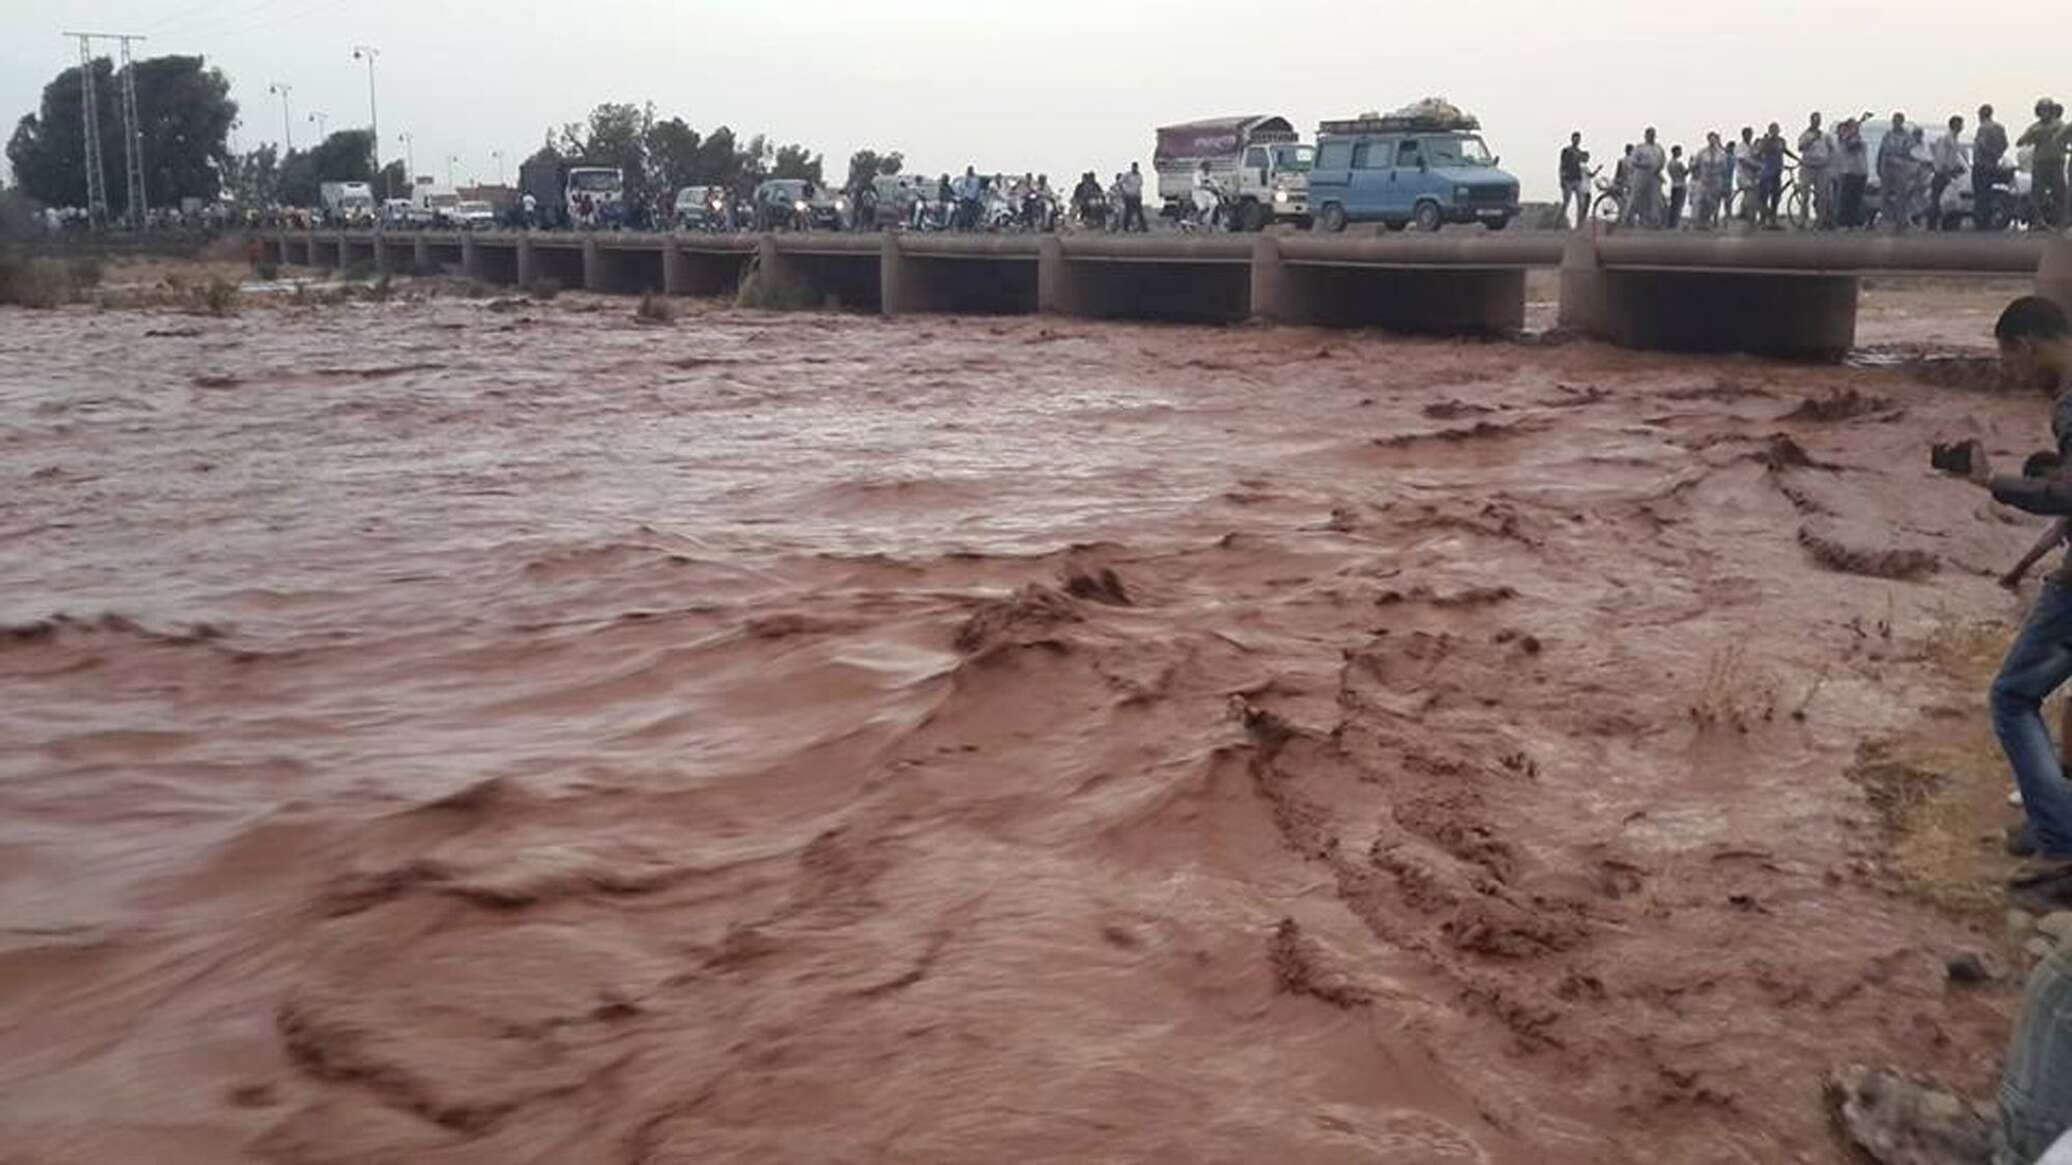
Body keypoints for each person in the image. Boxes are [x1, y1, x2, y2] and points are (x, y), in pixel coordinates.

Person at [1939, 297, 2072, 880]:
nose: (2010, 375)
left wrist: (1993, 482)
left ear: (2026, 345)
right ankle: (2056, 818)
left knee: (2012, 698)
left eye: (2008, 362)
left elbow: (2068, 494)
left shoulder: (2070, 404)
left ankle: (2060, 841)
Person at [2021, 100, 2067, 230]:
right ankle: (2038, 220)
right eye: (2041, 110)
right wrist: (2032, 137)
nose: (2044, 113)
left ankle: (2060, 221)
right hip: (2040, 163)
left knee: (2059, 192)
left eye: (2046, 110)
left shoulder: (2059, 125)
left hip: (2056, 162)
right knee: (2036, 193)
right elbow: (2021, 141)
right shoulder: (2034, 127)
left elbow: (2065, 138)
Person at [1876, 113, 1914, 230]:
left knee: (1901, 195)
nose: (1895, 123)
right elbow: (1882, 150)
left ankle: (1901, 220)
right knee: (1884, 195)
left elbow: (1909, 152)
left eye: (1897, 121)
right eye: (1894, 121)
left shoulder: (1907, 136)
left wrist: (1898, 156)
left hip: (1901, 167)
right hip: (1887, 167)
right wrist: (1879, 166)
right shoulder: (1888, 135)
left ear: (1902, 122)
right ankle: (1887, 219)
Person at [1929, 115, 1968, 231]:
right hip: (1942, 174)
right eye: (1960, 124)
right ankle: (1932, 226)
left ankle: (1942, 225)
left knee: (1946, 201)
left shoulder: (1955, 140)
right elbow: (1941, 157)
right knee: (1936, 201)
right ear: (1954, 125)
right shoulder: (1945, 139)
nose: (1961, 126)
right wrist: (1944, 170)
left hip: (1950, 174)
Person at [1977, 104, 2011, 230]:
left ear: (1981, 115)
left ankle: (1982, 223)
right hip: (1993, 165)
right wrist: (1997, 155)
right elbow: (2005, 144)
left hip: (1982, 165)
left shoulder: (1982, 128)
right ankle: (1989, 220)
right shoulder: (1999, 128)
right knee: (1989, 193)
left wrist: (1990, 154)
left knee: (1980, 194)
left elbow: (1981, 145)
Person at [1756, 122, 1796, 227]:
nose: (1774, 132)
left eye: (1776, 130)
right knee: (1764, 196)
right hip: (1767, 171)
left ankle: (1773, 219)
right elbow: (1759, 153)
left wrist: (1797, 158)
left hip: (1778, 171)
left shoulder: (1782, 141)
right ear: (1769, 131)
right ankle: (1763, 218)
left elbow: (1786, 151)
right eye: (1772, 130)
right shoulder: (1766, 141)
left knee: (1776, 196)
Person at [1799, 112, 1835, 229]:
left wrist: (1829, 161)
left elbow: (1832, 149)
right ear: (1811, 121)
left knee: (1822, 195)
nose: (1817, 122)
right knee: (1805, 195)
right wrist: (1813, 139)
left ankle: (1821, 221)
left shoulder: (1825, 136)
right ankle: (1803, 220)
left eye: (1818, 120)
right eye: (1815, 120)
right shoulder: (1805, 134)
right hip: (1808, 167)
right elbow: (1801, 147)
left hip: (1822, 168)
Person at [1692, 132, 1731, 229]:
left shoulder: (1722, 153)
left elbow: (1724, 167)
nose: (1712, 141)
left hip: (1716, 180)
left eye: (1714, 139)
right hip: (1704, 179)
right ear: (1708, 139)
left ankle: (1708, 221)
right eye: (1711, 139)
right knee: (1702, 200)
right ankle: (1701, 222)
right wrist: (1696, 174)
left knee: (1712, 202)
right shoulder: (1702, 152)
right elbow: (1695, 164)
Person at [1836, 119, 1870, 229]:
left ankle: (1855, 222)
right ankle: (1844, 223)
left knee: (1857, 199)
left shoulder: (1859, 138)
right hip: (1849, 172)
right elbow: (1851, 145)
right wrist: (1853, 131)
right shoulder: (1844, 139)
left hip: (1861, 172)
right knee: (1846, 199)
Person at [1558, 131, 1592, 229]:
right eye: (1575, 138)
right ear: (1572, 139)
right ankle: (1558, 223)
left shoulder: (1579, 152)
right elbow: (1561, 165)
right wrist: (1561, 179)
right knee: (1566, 203)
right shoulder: (1566, 150)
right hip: (1568, 179)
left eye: (1578, 138)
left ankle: (1579, 226)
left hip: (1577, 180)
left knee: (1581, 203)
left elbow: (1584, 161)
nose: (1577, 140)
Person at [1735, 127, 1762, 223]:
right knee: (1751, 192)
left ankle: (1746, 212)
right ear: (1743, 135)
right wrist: (1755, 166)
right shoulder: (1739, 147)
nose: (1750, 136)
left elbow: (1757, 155)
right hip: (1742, 176)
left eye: (1751, 134)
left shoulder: (1751, 146)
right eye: (1748, 134)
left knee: (1754, 194)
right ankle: (1747, 213)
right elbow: (1742, 160)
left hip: (1752, 176)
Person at [1120, 162, 1147, 232]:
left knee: (1139, 213)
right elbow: (1120, 182)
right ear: (1132, 167)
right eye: (1133, 167)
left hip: (1137, 196)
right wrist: (1124, 191)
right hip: (1128, 196)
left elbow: (1140, 185)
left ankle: (1144, 228)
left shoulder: (1139, 176)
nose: (1135, 168)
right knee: (1128, 213)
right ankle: (1125, 228)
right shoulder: (1127, 175)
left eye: (1136, 167)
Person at [1666, 145, 1689, 229]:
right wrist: (1691, 165)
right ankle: (1675, 223)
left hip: (1674, 185)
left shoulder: (1669, 163)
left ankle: (1671, 223)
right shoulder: (1678, 163)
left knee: (1674, 205)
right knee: (1679, 205)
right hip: (1681, 185)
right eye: (1679, 151)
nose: (1681, 153)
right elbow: (1685, 173)